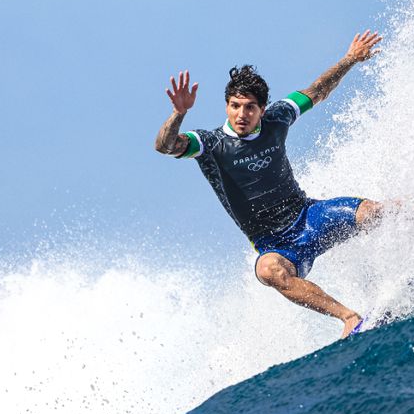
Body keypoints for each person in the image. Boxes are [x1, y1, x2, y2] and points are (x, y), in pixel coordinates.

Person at [154, 30, 386, 338]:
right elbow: (165, 146)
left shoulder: (278, 118)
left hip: (309, 217)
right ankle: (350, 318)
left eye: (250, 107)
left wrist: (350, 59)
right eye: (235, 105)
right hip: (275, 245)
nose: (241, 114)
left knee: (372, 212)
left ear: (262, 109)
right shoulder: (210, 144)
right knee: (268, 270)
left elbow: (317, 90)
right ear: (226, 106)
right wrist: (178, 114)